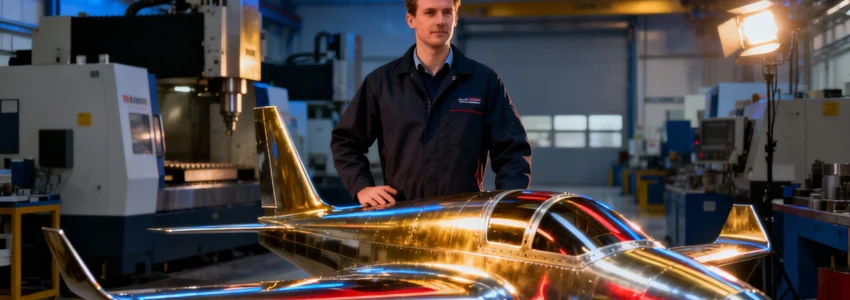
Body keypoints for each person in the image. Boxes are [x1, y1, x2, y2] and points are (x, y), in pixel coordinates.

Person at [330, 0, 531, 207]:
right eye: (430, 13)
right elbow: (346, 141)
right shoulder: (382, 83)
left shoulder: (483, 81)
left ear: (455, 19)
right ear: (411, 20)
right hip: (401, 216)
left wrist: (507, 204)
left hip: (463, 218)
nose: (440, 21)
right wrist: (361, 187)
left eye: (447, 13)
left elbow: (513, 150)